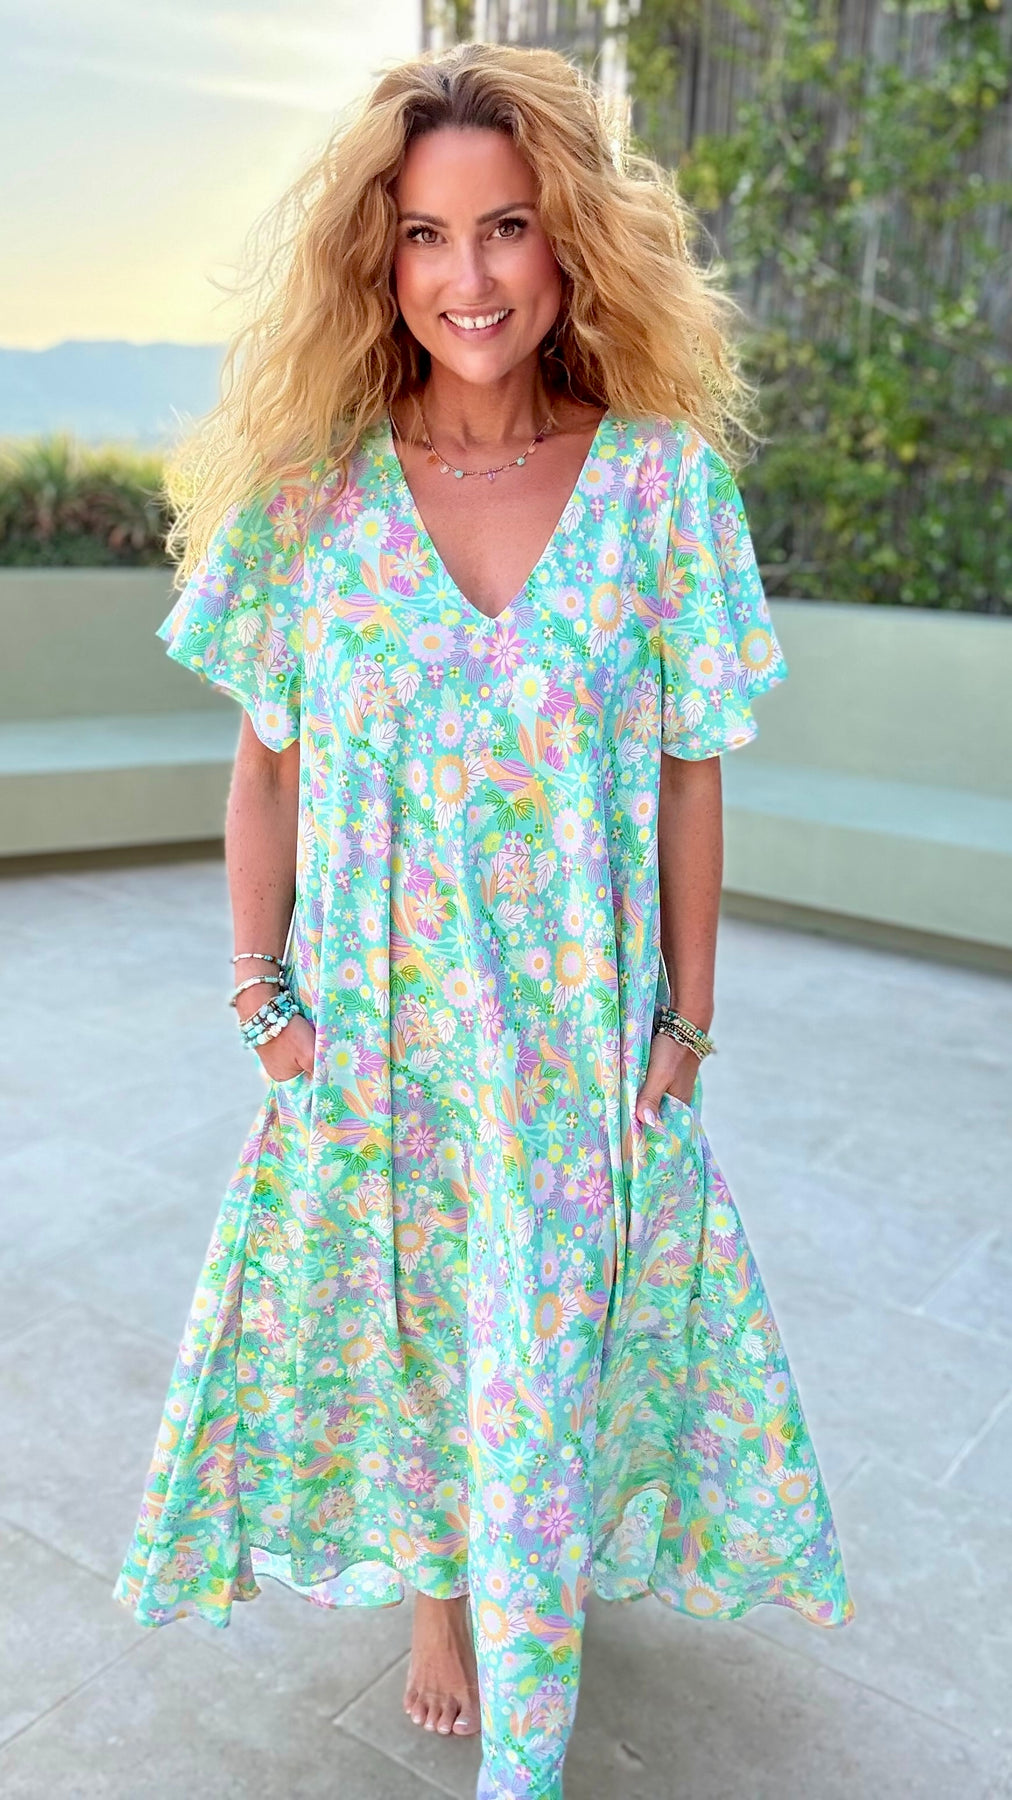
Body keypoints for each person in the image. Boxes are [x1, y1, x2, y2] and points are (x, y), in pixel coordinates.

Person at [115, 40, 855, 1800]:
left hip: (576, 1049)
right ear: (377, 259)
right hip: (380, 1043)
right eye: (427, 235)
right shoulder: (311, 502)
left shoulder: (663, 491)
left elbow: (689, 776)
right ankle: (447, 1603)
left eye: (507, 226)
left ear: (569, 239)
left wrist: (685, 1022)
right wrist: (263, 1002)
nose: (470, 277)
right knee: (412, 1332)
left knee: (546, 1353)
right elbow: (265, 772)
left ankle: (523, 1640)